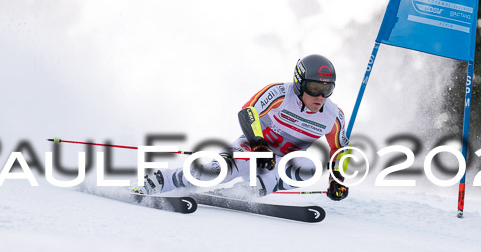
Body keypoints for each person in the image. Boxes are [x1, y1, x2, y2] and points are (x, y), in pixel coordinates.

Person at [134, 54, 350, 201]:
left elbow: (338, 150)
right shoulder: (280, 94)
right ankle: (161, 180)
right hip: (251, 150)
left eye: (327, 89)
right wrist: (259, 146)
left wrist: (337, 180)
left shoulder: (333, 116)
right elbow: (248, 112)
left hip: (282, 162)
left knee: (308, 169)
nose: (320, 96)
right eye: (314, 87)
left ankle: (242, 194)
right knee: (213, 172)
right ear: (299, 82)